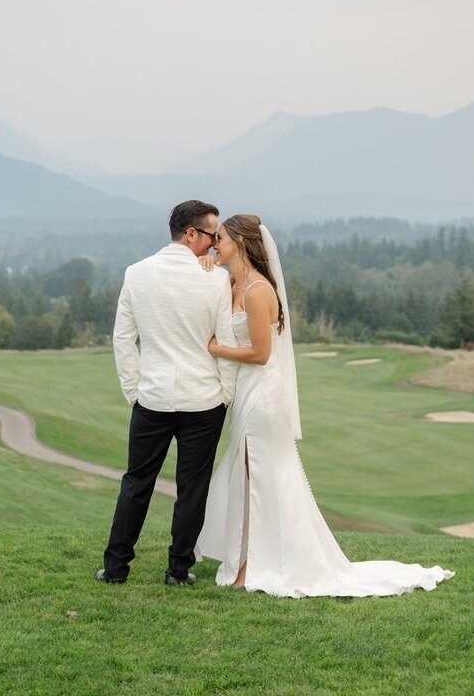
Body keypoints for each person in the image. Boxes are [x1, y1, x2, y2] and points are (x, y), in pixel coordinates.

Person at [195, 214, 454, 597]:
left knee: (261, 473)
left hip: (263, 393)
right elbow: (207, 278)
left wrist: (218, 349)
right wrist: (204, 263)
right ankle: (249, 557)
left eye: (222, 238)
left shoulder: (257, 291)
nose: (216, 243)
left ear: (242, 244)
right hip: (248, 393)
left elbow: (263, 354)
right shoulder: (234, 282)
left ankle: (260, 562)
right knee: (250, 473)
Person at [98, 200, 238, 586]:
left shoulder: (136, 273)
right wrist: (224, 394)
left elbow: (124, 339)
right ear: (191, 233)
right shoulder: (215, 280)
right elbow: (223, 339)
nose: (214, 244)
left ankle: (115, 568)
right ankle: (178, 571)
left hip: (152, 399)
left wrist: (134, 392)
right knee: (192, 490)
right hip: (204, 400)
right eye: (211, 235)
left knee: (136, 483)